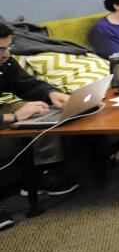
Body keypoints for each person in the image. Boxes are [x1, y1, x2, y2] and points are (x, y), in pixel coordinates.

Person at [0, 21, 79, 230]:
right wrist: (15, 117)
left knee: (40, 110)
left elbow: (27, 84)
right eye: (1, 49)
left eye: (9, 47)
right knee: (23, 111)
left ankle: (43, 175)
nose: (7, 53)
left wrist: (52, 93)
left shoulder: (5, 62)